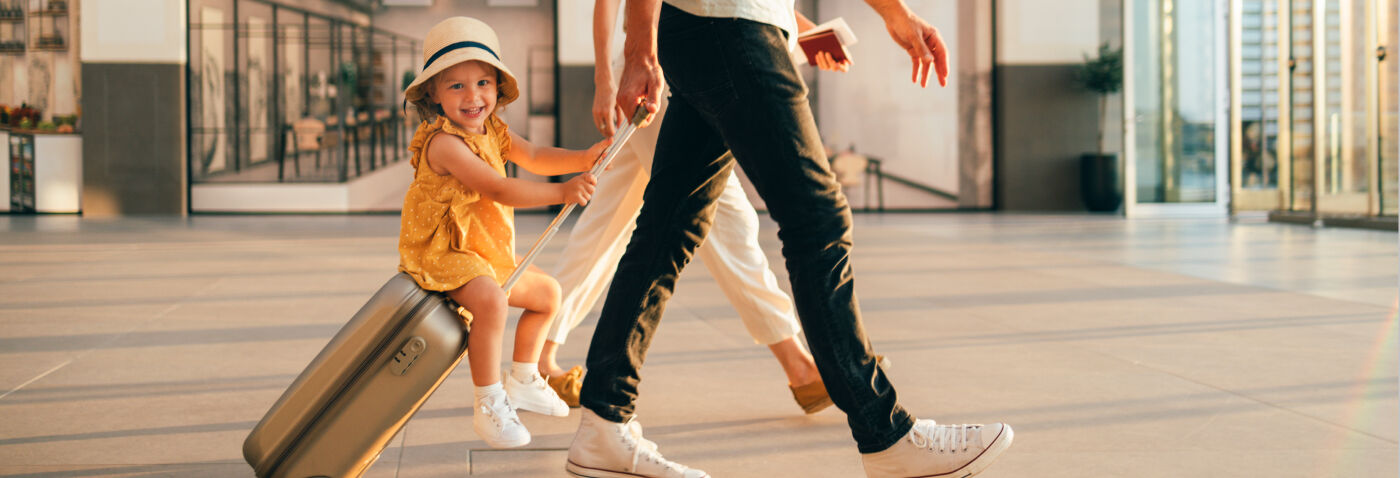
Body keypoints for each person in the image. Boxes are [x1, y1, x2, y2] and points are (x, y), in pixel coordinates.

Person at [562, 1, 1014, 477]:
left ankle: (602, 422)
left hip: (714, 27)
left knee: (668, 229)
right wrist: (637, 51)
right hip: (730, 26)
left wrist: (895, 16)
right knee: (816, 220)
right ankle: (885, 433)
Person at [536, 0, 854, 415]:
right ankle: (798, 365)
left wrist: (810, 37)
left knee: (603, 227)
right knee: (726, 220)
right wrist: (603, 79)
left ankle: (537, 356)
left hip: (678, 66)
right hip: (657, 75)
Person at [398, 16, 608, 449]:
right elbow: (498, 188)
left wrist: (583, 159)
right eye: (456, 86)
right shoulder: (444, 142)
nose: (473, 96)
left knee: (548, 294)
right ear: (434, 94)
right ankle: (487, 401)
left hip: (482, 251)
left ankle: (526, 378)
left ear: (497, 87)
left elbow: (535, 155)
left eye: (483, 83)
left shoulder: (494, 130)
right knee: (492, 300)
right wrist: (562, 192)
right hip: (445, 251)